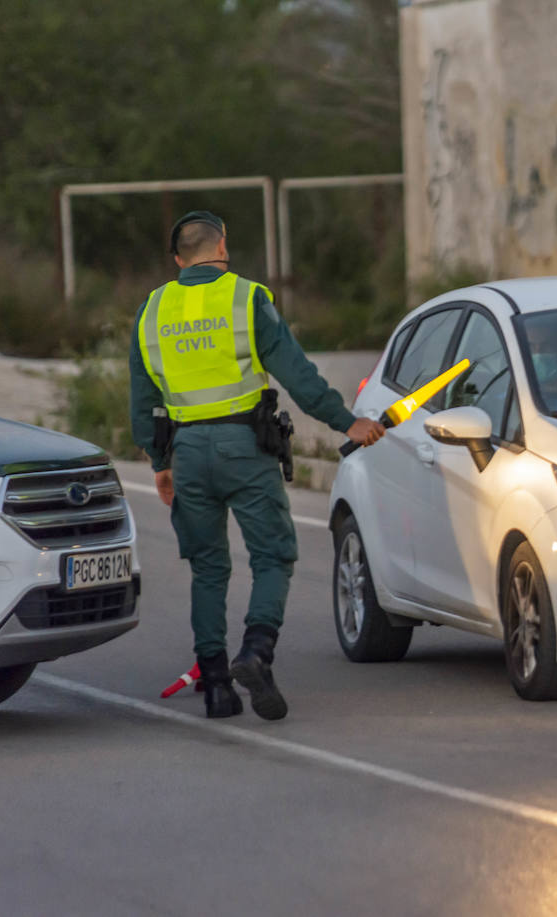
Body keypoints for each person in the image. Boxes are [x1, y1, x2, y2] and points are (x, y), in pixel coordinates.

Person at [129, 211, 384, 720]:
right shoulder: (246, 298)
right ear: (223, 244)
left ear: (179, 259)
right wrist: (346, 422)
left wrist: (160, 460)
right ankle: (257, 652)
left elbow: (143, 398)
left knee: (208, 567)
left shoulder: (152, 310)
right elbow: (296, 372)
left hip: (187, 452)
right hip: (245, 445)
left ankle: (218, 686)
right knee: (272, 556)